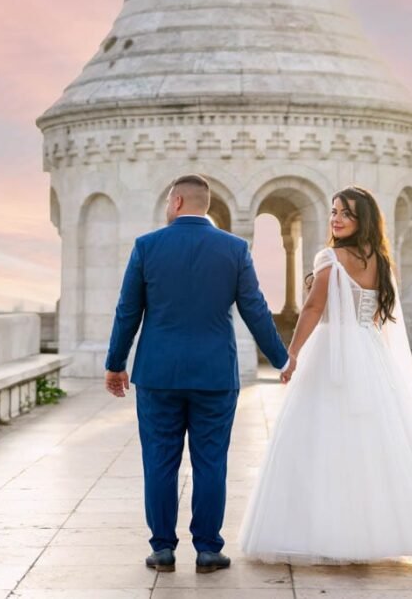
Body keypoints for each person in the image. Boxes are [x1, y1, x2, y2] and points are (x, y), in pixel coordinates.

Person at [240, 185, 412, 563]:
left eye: (346, 213)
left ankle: (327, 534)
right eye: (333, 211)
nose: (336, 219)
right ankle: (373, 532)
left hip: (332, 352)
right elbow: (377, 317)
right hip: (370, 351)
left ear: (362, 220)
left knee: (322, 439)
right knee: (373, 443)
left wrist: (291, 354)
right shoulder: (379, 260)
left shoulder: (330, 257)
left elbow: (312, 309)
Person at [104, 173, 290, 575]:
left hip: (158, 374)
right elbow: (255, 309)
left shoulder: (147, 246)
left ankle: (163, 550)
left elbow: (127, 311)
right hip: (214, 375)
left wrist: (115, 363)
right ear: (206, 205)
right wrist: (282, 360)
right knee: (210, 462)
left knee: (159, 461)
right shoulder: (235, 249)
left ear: (175, 202)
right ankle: (208, 550)